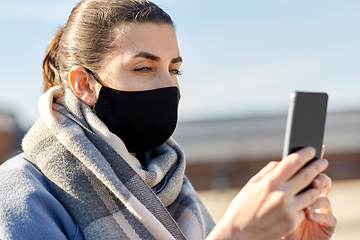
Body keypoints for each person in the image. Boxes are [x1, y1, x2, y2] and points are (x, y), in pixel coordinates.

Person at [0, 0, 336, 239]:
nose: (169, 86)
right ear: (85, 84)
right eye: (144, 68)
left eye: (174, 69)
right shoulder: (21, 193)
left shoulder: (172, 186)